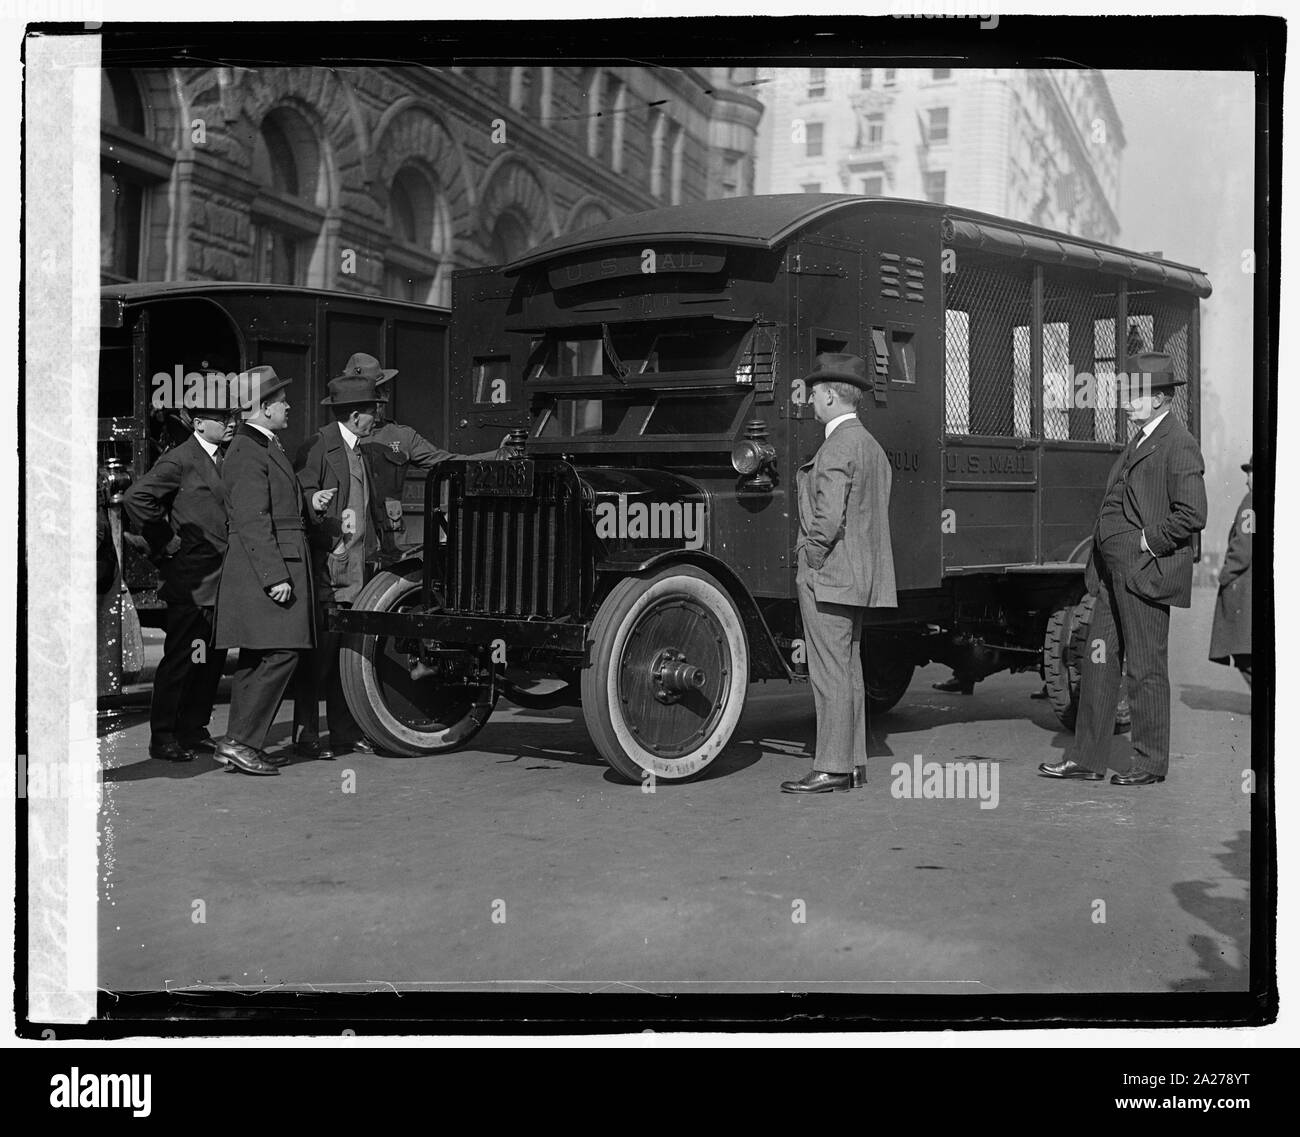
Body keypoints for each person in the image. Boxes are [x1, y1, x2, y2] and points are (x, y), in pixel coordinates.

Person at [1039, 351, 1207, 787]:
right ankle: (1087, 759)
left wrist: (1143, 545)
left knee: (1146, 668)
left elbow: (1192, 513)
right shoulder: (1140, 440)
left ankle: (1150, 763)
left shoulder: (1178, 443)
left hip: (1144, 574)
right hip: (1114, 579)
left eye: (1135, 393)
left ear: (1160, 398)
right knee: (1098, 662)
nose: (1126, 401)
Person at [781, 353, 897, 794]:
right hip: (859, 576)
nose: (810, 402)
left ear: (830, 395)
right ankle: (852, 765)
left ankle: (831, 767)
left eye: (814, 395)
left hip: (829, 576)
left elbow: (827, 520)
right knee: (848, 669)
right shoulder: (870, 445)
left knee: (829, 673)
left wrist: (809, 559)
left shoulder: (836, 447)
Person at [212, 365, 315, 776]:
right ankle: (240, 741)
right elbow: (254, 519)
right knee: (283, 650)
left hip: (270, 559)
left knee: (258, 656)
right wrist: (275, 577)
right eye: (281, 401)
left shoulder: (260, 446)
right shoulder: (248, 451)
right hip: (267, 565)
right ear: (262, 409)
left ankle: (237, 743)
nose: (287, 406)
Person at [123, 392, 236, 761]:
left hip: (220, 581)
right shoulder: (180, 459)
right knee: (180, 661)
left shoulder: (226, 457)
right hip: (191, 581)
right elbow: (136, 499)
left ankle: (193, 728)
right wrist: (165, 541)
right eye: (221, 417)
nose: (230, 421)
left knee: (209, 662)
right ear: (199, 422)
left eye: (231, 415)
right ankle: (164, 735)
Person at [290, 369, 387, 759]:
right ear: (354, 415)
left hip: (360, 573)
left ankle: (344, 735)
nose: (377, 417)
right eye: (372, 410)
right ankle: (306, 735)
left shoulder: (361, 448)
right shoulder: (320, 445)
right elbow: (302, 491)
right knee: (321, 658)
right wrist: (315, 502)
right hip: (331, 570)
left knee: (348, 657)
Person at [1209, 455, 1253, 687]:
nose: (1247, 480)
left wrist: (1225, 574)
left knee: (1246, 655)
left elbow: (1244, 548)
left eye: (1250, 473)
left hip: (1244, 591)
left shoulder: (1251, 503)